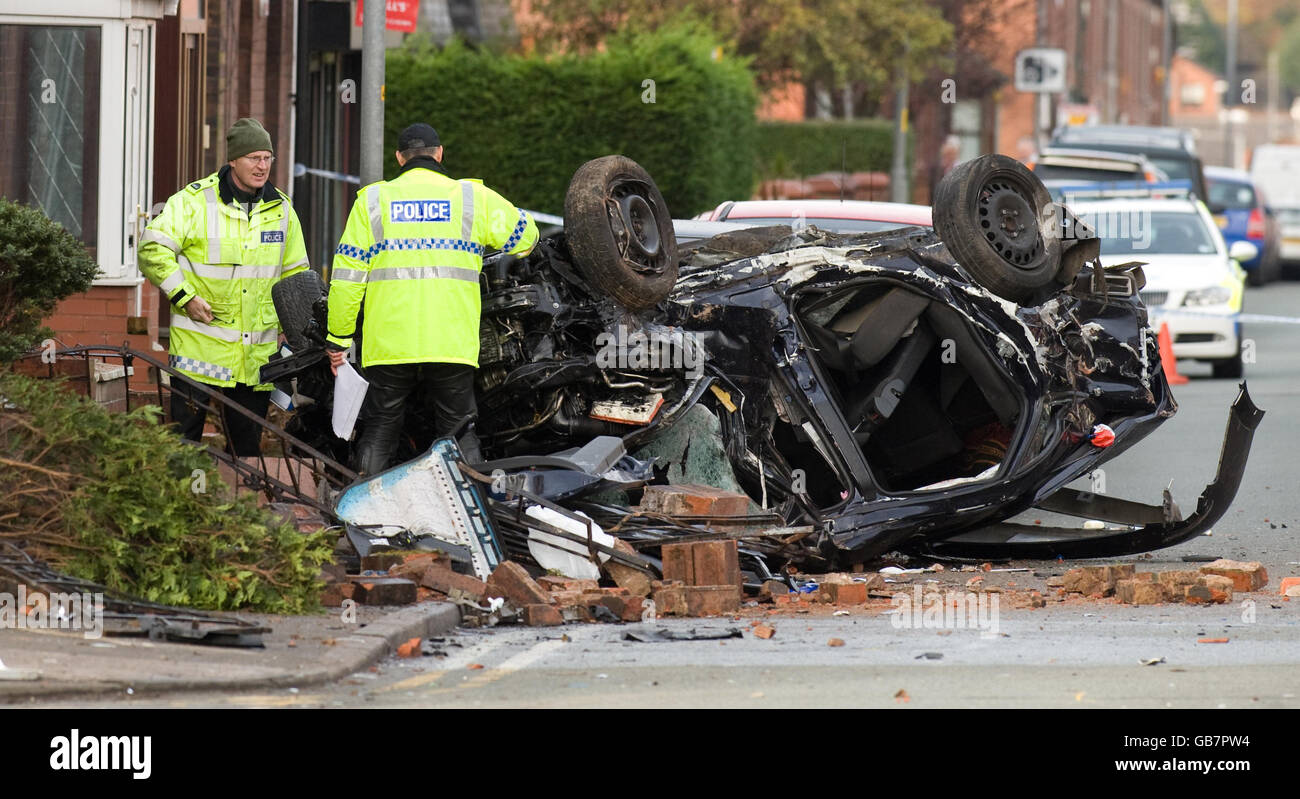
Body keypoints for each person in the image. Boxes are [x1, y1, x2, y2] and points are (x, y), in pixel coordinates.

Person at [325, 123, 538, 475]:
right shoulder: (473, 198)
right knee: (459, 430)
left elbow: (346, 280)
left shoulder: (372, 202)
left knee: (380, 428)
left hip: (389, 344)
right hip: (451, 341)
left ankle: (361, 501)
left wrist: (338, 339)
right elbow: (526, 238)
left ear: (399, 158)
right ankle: (471, 503)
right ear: (439, 154)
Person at [139, 118, 310, 456]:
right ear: (233, 160)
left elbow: (296, 276)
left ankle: (237, 494)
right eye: (254, 158)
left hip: (254, 360)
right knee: (184, 449)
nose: (262, 166)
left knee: (245, 455)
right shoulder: (193, 202)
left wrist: (294, 333)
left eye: (267, 158)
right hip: (199, 355)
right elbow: (151, 248)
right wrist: (184, 297)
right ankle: (187, 491)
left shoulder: (282, 210)